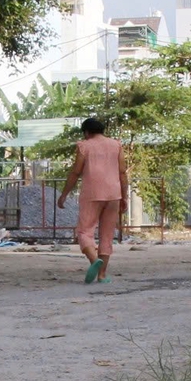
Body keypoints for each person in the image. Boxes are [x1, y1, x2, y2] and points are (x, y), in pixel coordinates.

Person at [56, 117, 127, 284]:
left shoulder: (84, 146)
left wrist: (64, 194)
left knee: (84, 231)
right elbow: (123, 172)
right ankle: (102, 276)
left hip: (92, 194)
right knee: (107, 235)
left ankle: (94, 260)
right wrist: (125, 196)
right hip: (113, 194)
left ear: (86, 132)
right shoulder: (116, 145)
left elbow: (76, 172)